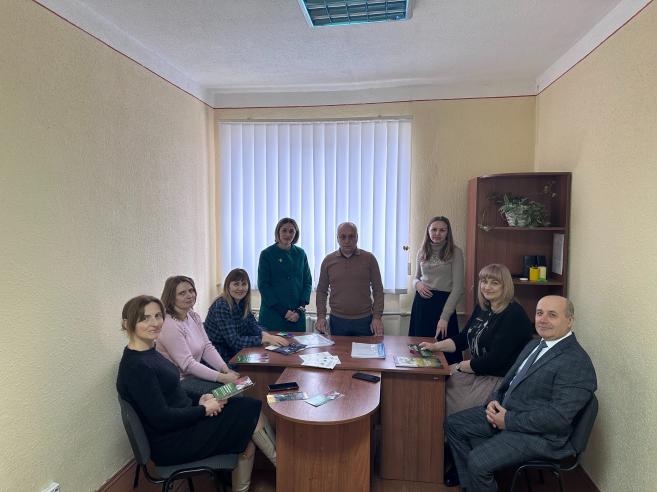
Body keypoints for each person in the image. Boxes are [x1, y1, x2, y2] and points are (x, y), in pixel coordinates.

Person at [116, 295, 278, 492]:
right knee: (248, 414)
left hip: (183, 424)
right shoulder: (137, 367)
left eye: (158, 316)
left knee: (249, 412)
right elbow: (162, 419)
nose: (155, 322)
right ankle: (285, 468)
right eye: (145, 318)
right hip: (172, 442)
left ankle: (281, 468)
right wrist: (203, 410)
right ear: (127, 323)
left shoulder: (150, 352)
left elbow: (174, 390)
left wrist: (200, 398)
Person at [444, 295, 597, 491]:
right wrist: (493, 402)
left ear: (570, 321)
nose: (542, 320)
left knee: (478, 461)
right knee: (453, 424)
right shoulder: (534, 345)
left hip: (541, 435)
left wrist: (508, 420)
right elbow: (508, 383)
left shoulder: (576, 362)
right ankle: (472, 485)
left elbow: (558, 419)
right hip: (510, 413)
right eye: (539, 313)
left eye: (552, 315)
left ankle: (477, 481)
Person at [420, 263, 533, 415]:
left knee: (459, 409)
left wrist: (459, 366)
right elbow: (463, 338)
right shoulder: (483, 307)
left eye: (494, 283)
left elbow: (494, 360)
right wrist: (435, 346)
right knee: (437, 390)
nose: (487, 287)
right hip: (478, 372)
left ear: (505, 286)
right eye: (484, 282)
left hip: (498, 378)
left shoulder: (513, 314)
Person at [155, 276, 240, 401]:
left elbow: (207, 347)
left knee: (239, 386)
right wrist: (223, 378)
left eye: (191, 291)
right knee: (234, 393)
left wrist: (226, 370)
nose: (189, 295)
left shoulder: (193, 316)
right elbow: (188, 364)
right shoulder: (169, 325)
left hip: (194, 376)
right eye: (182, 293)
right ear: (171, 298)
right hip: (179, 383)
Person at [409, 216, 464, 365]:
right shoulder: (422, 251)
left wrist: (444, 317)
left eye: (442, 230)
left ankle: (445, 380)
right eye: (434, 229)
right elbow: (415, 278)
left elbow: (458, 288)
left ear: (448, 232)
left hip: (443, 306)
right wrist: (417, 284)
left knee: (444, 352)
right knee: (420, 352)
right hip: (422, 305)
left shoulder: (455, 252)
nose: (437, 233)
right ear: (428, 231)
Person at [205, 268, 289, 363]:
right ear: (228, 286)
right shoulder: (222, 306)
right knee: (263, 363)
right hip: (220, 358)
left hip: (237, 352)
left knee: (270, 360)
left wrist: (264, 334)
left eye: (244, 284)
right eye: (236, 284)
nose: (240, 288)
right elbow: (234, 342)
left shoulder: (242, 302)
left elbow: (252, 325)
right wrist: (263, 339)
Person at [315, 222, 384, 336]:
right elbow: (322, 291)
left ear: (357, 237)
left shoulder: (369, 259)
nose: (347, 241)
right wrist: (321, 316)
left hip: (364, 321)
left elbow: (378, 290)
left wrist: (377, 317)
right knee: (338, 348)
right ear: (337, 238)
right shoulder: (328, 261)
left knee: (365, 349)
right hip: (337, 321)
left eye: (351, 236)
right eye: (343, 237)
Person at [257, 217, 312, 332]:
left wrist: (300, 309)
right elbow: (263, 286)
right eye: (284, 230)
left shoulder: (301, 254)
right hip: (273, 315)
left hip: (296, 316)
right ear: (278, 232)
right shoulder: (267, 254)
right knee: (271, 344)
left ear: (296, 233)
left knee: (297, 343)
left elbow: (307, 283)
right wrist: (283, 311)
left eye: (291, 231)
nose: (288, 234)